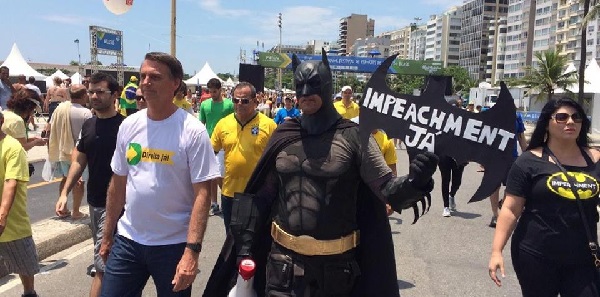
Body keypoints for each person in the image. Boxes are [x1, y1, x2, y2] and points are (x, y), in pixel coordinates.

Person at [204, 52, 438, 297]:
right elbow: (261, 195)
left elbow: (388, 191)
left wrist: (416, 181)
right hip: (282, 265)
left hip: (336, 269)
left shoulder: (355, 137)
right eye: (300, 86)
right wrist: (244, 249)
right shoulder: (285, 134)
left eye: (314, 84)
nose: (306, 92)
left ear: (328, 87)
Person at [99, 52, 220, 297]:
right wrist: (107, 235)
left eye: (154, 77)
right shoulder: (129, 125)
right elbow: (118, 183)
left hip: (172, 246)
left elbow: (202, 194)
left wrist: (192, 251)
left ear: (175, 84)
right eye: (143, 76)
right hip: (128, 240)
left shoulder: (192, 131)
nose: (145, 82)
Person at [488, 98, 600, 296]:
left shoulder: (595, 159)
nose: (570, 122)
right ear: (547, 123)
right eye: (562, 117)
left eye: (577, 117)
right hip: (536, 254)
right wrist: (497, 251)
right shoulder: (528, 161)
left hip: (583, 257)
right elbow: (511, 209)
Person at [54, 72, 123, 297]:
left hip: (120, 206)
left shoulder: (126, 127)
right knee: (111, 262)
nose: (94, 96)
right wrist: (65, 192)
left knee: (102, 264)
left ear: (114, 95)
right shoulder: (89, 125)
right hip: (94, 203)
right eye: (91, 91)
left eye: (100, 92)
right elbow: (79, 161)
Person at [210, 82, 277, 230]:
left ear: (255, 101)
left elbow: (277, 159)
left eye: (245, 101)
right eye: (235, 100)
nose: (239, 104)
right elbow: (210, 154)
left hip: (258, 194)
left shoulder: (269, 125)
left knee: (256, 241)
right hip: (230, 194)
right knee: (232, 240)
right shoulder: (223, 124)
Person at [0, 111, 41, 297]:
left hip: (11, 222)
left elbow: (11, 182)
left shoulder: (12, 147)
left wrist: (2, 215)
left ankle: (29, 293)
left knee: (26, 265)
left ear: (1, 121)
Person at [48, 84, 92, 220]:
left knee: (65, 179)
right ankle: (76, 211)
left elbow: (50, 127)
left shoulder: (59, 109)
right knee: (79, 181)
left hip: (62, 150)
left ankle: (63, 208)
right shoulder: (86, 113)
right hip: (78, 153)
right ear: (84, 95)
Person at [199, 78, 234, 216]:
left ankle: (227, 197)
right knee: (212, 175)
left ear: (220, 90)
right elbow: (201, 123)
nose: (212, 94)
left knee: (220, 175)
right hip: (208, 143)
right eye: (210, 91)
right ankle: (214, 203)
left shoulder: (229, 105)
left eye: (215, 91)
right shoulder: (205, 105)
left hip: (224, 144)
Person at [488, 112, 528, 227]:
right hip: (494, 156)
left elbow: (521, 137)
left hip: (512, 156)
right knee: (494, 187)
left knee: (511, 187)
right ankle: (495, 215)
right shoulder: (493, 115)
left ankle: (502, 203)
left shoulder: (517, 117)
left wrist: (528, 154)